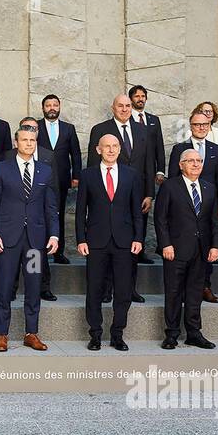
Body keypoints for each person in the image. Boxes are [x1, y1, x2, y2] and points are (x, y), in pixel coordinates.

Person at [0, 125, 58, 352]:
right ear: (16, 142)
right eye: (24, 140)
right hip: (7, 240)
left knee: (34, 285)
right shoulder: (1, 169)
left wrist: (54, 234)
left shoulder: (45, 171)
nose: (29, 143)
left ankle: (31, 333)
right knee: (5, 287)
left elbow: (51, 207)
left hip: (35, 243)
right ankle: (2, 335)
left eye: (32, 140)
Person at [76, 134, 143, 350]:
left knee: (123, 291)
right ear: (98, 150)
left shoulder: (131, 175)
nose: (111, 150)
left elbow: (137, 212)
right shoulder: (88, 175)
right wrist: (81, 239)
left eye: (115, 146)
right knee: (94, 289)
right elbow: (79, 212)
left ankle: (117, 334)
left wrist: (138, 238)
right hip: (96, 241)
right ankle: (95, 334)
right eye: (107, 147)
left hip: (124, 241)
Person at [88, 94, 155, 299]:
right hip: (108, 196)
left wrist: (149, 194)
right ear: (113, 107)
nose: (125, 109)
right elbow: (92, 164)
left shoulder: (143, 130)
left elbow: (148, 163)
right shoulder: (100, 130)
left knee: (132, 244)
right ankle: (107, 290)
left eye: (128, 105)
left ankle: (129, 289)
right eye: (120, 106)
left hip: (136, 197)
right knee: (108, 242)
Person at [154, 148, 218, 349]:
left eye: (199, 160)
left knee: (195, 292)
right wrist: (165, 244)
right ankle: (172, 334)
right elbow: (160, 219)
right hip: (175, 249)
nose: (196, 164)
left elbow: (214, 221)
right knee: (174, 292)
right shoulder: (169, 186)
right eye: (190, 161)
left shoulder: (209, 188)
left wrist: (215, 246)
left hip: (201, 251)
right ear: (181, 165)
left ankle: (194, 333)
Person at [168, 109, 218, 303]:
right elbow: (172, 180)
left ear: (209, 127)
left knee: (207, 247)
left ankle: (205, 286)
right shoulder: (179, 149)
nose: (201, 127)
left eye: (205, 124)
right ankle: (186, 287)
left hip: (208, 207)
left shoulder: (215, 149)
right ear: (190, 126)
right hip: (184, 208)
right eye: (197, 124)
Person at [38, 94, 82, 264]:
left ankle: (58, 251)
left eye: (55, 105)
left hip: (61, 179)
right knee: (37, 214)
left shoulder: (68, 128)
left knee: (58, 214)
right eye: (48, 105)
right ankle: (40, 251)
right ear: (43, 108)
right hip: (39, 177)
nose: (52, 108)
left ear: (59, 107)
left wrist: (76, 175)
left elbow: (76, 154)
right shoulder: (36, 126)